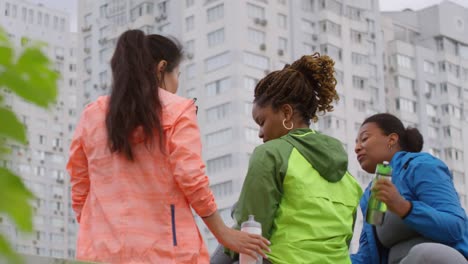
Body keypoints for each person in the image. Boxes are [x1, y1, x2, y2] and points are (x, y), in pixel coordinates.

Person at [66, 29, 269, 263]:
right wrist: (224, 234)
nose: (177, 83)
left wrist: (99, 230)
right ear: (162, 68)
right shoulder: (178, 110)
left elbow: (80, 188)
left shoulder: (92, 115)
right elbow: (191, 178)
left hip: (99, 251)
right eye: (177, 74)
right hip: (164, 252)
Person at [222, 53, 363, 264]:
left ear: (286, 113)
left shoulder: (271, 154)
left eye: (262, 121)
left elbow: (253, 228)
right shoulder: (347, 176)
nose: (261, 133)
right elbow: (346, 239)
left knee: (232, 239)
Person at [352, 113, 468, 264]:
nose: (356, 148)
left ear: (392, 140)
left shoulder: (420, 166)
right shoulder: (373, 194)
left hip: (439, 258)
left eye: (365, 139)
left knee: (424, 254)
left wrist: (404, 208)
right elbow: (368, 258)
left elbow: (454, 227)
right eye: (356, 142)